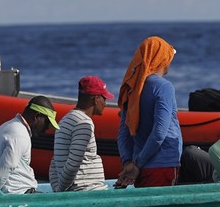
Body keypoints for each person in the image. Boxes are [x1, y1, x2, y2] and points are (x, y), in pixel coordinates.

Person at [115, 36, 181, 188]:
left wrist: (128, 162)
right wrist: (137, 164)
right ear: (163, 59)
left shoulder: (133, 87)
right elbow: (159, 133)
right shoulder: (164, 87)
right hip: (162, 164)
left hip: (140, 167)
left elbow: (123, 132)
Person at [0, 95, 60, 194]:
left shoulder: (3, 128)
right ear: (36, 116)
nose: (46, 128)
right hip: (20, 194)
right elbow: (5, 169)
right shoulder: (20, 134)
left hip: (8, 193)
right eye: (46, 122)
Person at [49, 76, 112, 192]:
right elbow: (73, 164)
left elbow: (55, 162)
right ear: (96, 99)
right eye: (104, 99)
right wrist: (61, 190)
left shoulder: (64, 121)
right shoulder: (83, 123)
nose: (106, 104)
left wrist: (57, 188)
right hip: (88, 190)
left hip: (79, 190)